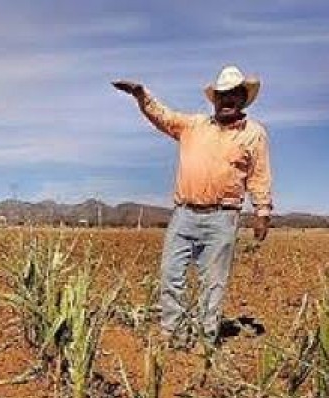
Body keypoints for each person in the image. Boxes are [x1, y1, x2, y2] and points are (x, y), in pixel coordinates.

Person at [112, 65, 273, 345]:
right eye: (222, 95)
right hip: (184, 214)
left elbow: (259, 174)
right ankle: (173, 335)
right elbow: (163, 115)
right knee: (171, 275)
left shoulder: (254, 134)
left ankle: (205, 339)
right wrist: (141, 95)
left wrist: (262, 211)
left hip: (223, 217)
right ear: (215, 99)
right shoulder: (193, 125)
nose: (227, 100)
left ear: (242, 99)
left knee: (213, 283)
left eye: (233, 94)